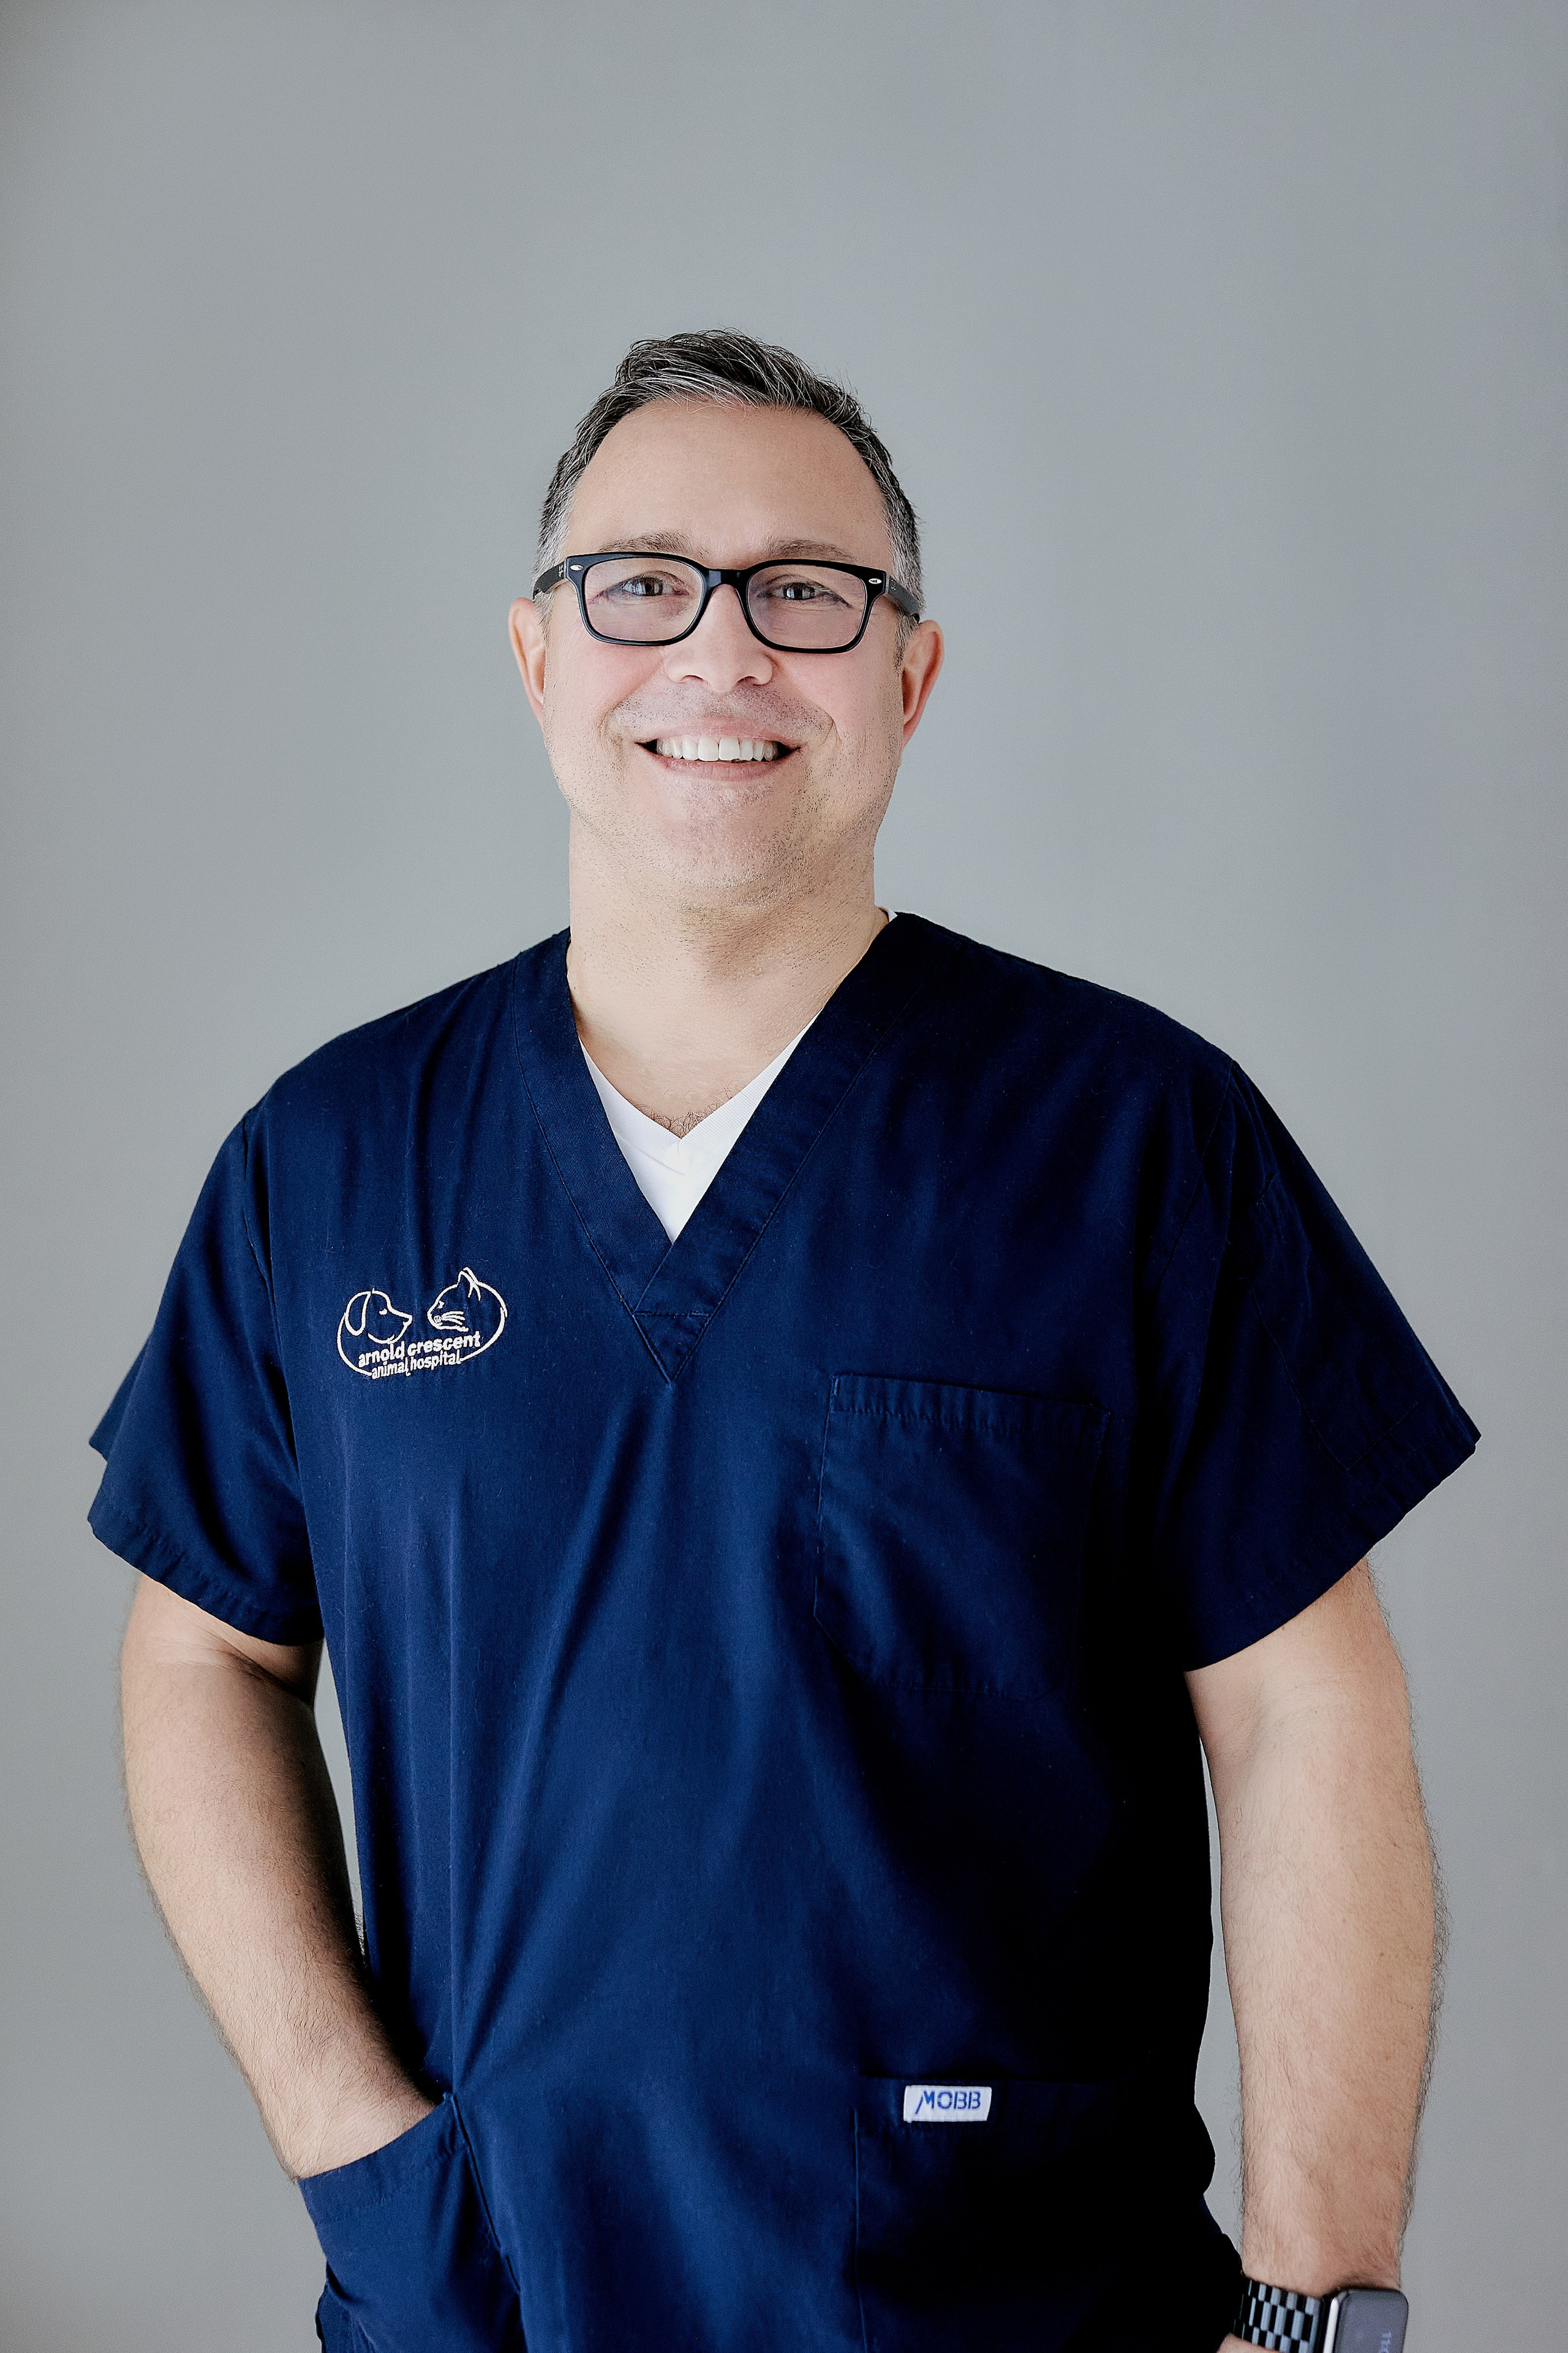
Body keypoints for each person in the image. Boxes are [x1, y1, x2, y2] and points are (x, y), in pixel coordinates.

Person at [92, 330, 1476, 2353]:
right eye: (640, 583)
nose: (720, 653)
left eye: (806, 593)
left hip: (1018, 2295)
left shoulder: (1133, 1138)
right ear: (537, 656)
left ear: (910, 676)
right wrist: (350, 2133)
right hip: (489, 2299)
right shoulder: (331, 1163)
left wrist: (1317, 2310)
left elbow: (1306, 1720)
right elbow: (199, 1649)